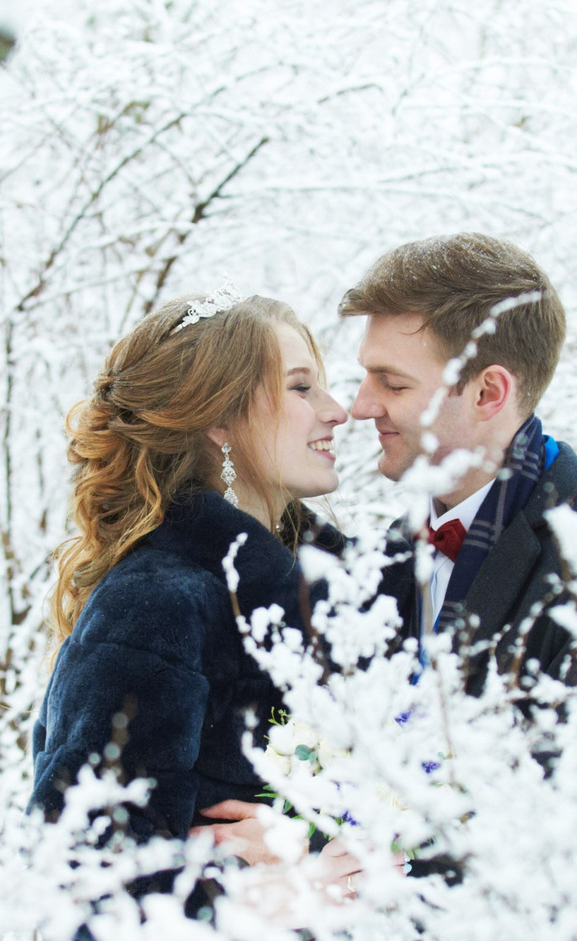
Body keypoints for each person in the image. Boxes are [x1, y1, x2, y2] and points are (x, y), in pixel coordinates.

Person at [30, 288, 355, 901]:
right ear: (219, 420)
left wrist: (326, 847)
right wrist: (264, 900)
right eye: (301, 387)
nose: (337, 411)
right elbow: (80, 880)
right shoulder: (157, 607)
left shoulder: (351, 593)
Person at [343, 233, 577, 700]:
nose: (360, 406)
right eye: (366, 376)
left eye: (392, 384)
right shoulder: (396, 550)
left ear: (488, 393)